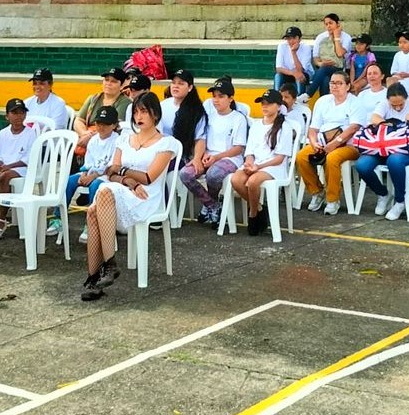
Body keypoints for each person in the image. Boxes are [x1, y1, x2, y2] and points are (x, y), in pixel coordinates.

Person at [81, 92, 177, 301]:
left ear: (155, 114)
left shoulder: (166, 143)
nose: (139, 116)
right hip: (125, 190)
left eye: (144, 111)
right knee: (94, 207)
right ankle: (99, 273)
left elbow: (149, 177)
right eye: (136, 112)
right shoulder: (125, 139)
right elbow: (110, 173)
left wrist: (124, 172)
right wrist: (128, 181)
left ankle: (103, 269)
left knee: (102, 196)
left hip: (147, 197)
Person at [355, 83, 409, 221]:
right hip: (383, 149)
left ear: (406, 99)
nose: (397, 107)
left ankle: (400, 201)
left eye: (400, 104)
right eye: (393, 105)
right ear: (388, 100)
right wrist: (396, 127)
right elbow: (374, 119)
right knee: (362, 165)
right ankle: (383, 194)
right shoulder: (383, 104)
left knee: (394, 160)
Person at [179, 77, 248, 226]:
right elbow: (201, 139)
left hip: (230, 158)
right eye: (214, 96)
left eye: (221, 96)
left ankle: (209, 207)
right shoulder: (208, 117)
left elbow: (238, 148)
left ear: (230, 99)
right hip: (208, 157)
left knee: (214, 175)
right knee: (185, 174)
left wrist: (216, 157)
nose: (216, 100)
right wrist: (200, 156)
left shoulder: (238, 119)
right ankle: (212, 205)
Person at [229, 89, 295, 236]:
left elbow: (279, 158)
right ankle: (259, 208)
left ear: (278, 106)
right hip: (256, 163)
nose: (264, 107)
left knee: (252, 182)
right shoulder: (256, 125)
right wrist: (249, 163)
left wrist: (258, 167)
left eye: (269, 104)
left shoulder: (285, 127)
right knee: (236, 180)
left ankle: (253, 214)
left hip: (273, 166)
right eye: (263, 104)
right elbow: (250, 151)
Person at [295, 71, 361, 215]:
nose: (335, 86)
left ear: (348, 86)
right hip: (323, 143)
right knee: (301, 157)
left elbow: (353, 128)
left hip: (349, 145)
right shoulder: (323, 101)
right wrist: (313, 143)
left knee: (332, 158)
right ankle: (316, 192)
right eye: (332, 83)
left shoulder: (354, 102)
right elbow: (313, 129)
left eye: (339, 83)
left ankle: (332, 199)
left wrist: (335, 143)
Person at [60, 105, 122, 242]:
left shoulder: (117, 141)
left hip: (107, 175)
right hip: (91, 171)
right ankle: (58, 218)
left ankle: (91, 223)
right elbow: (88, 162)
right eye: (99, 123)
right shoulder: (93, 140)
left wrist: (93, 176)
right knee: (69, 181)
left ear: (114, 125)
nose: (101, 127)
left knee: (96, 186)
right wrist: (84, 173)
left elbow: (112, 165)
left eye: (106, 124)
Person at [0, 98, 39, 240]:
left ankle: (1, 219)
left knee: (5, 177)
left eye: (21, 113)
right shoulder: (3, 133)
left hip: (22, 169)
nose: (18, 116)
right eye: (14, 113)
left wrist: (8, 167)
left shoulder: (30, 133)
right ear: (7, 116)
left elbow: (28, 159)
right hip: (4, 166)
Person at [74, 67, 133, 152]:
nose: (108, 83)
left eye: (113, 81)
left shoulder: (125, 103)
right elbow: (78, 120)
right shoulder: (93, 99)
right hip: (86, 139)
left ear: (122, 85)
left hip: (109, 145)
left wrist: (90, 137)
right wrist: (84, 133)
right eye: (106, 80)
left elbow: (114, 127)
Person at [300, 13, 353, 101]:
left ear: (338, 24)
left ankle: (308, 95)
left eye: (331, 23)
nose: (328, 26)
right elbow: (316, 57)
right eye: (326, 24)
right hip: (323, 68)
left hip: (339, 68)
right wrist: (320, 63)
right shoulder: (321, 37)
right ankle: (323, 104)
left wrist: (336, 37)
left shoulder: (346, 37)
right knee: (325, 80)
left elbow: (340, 53)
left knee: (324, 70)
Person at [274, 26, 313, 93]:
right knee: (278, 76)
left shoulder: (306, 47)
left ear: (300, 39)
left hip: (304, 74)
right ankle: (276, 99)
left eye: (294, 38)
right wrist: (293, 73)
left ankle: (299, 100)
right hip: (288, 73)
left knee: (299, 76)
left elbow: (300, 70)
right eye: (289, 39)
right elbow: (278, 68)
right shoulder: (282, 46)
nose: (291, 41)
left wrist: (293, 52)